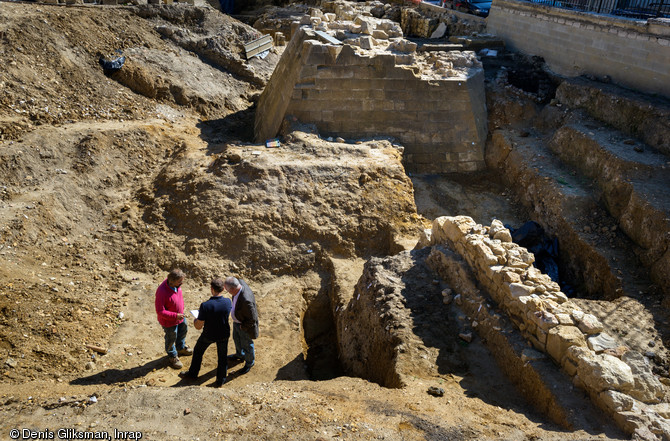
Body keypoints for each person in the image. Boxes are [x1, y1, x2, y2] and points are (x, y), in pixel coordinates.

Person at [179, 278, 232, 387]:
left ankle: (193, 374)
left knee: (198, 352)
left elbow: (198, 326)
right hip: (223, 333)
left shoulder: (205, 305)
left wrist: (195, 320)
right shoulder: (228, 302)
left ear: (212, 289)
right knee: (222, 357)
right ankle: (221, 380)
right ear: (223, 289)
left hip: (209, 334)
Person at [155, 268, 192, 369]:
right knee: (171, 337)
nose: (182, 283)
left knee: (183, 329)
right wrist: (175, 316)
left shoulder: (177, 285)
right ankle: (172, 356)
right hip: (169, 321)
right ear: (172, 281)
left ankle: (180, 347)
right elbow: (160, 311)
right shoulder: (161, 291)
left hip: (180, 316)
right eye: (180, 281)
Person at [224, 276, 259, 374]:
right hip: (238, 322)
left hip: (244, 326)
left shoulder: (246, 300)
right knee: (237, 339)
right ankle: (240, 355)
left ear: (233, 289)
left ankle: (249, 362)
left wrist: (243, 327)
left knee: (247, 344)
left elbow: (253, 318)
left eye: (227, 290)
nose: (227, 292)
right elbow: (239, 278)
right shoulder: (239, 284)